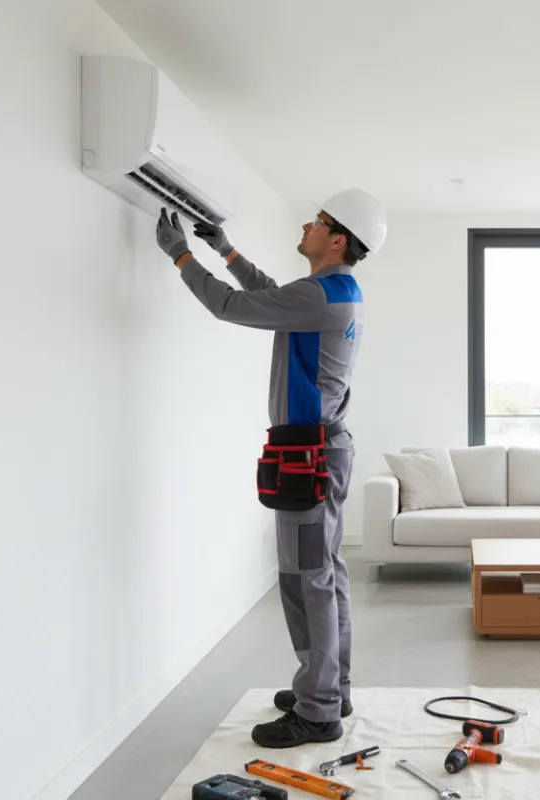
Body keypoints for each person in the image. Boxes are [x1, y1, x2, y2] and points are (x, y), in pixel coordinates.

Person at [153, 189, 387, 748]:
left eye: (320, 221)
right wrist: (228, 252)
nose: (307, 224)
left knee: (308, 581)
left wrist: (182, 255)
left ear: (337, 239)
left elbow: (230, 307)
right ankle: (332, 687)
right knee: (323, 575)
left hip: (310, 451)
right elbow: (276, 297)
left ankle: (319, 710)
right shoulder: (334, 291)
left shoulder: (319, 296)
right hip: (323, 446)